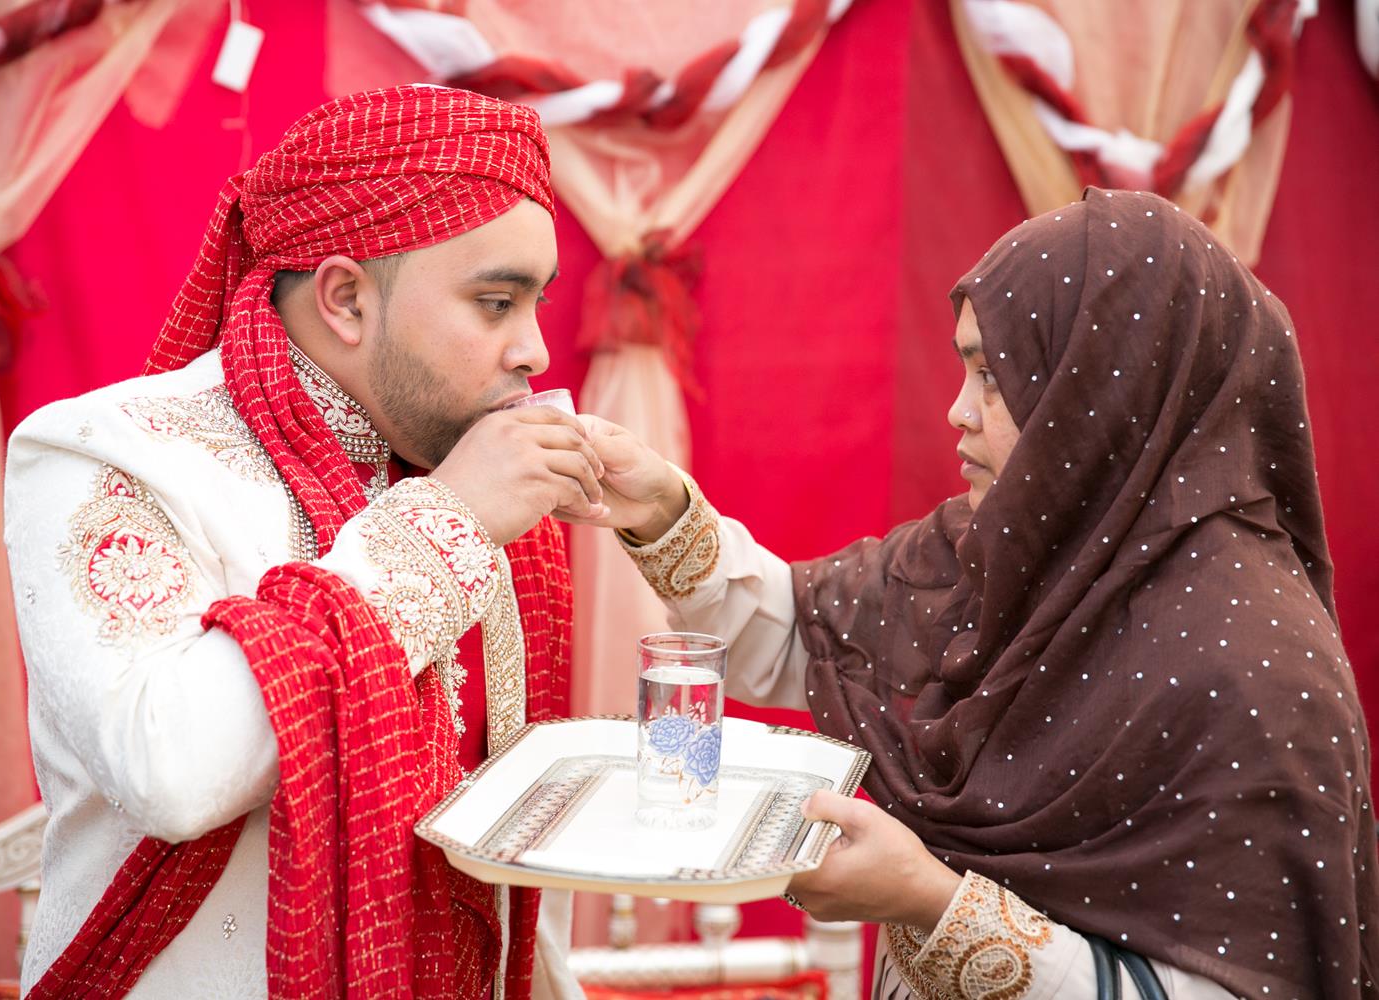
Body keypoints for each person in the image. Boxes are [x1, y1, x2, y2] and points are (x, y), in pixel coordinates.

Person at [579, 188, 1377, 999]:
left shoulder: (1260, 673)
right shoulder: (1016, 543)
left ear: (1103, 393)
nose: (956, 412)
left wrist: (934, 904)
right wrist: (663, 512)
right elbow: (795, 640)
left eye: (994, 377)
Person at [2, 86, 605, 999]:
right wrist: (446, 524)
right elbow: (169, 773)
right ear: (346, 299)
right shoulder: (103, 454)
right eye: (495, 303)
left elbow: (494, 849)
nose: (536, 352)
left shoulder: (454, 473)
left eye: (536, 304)